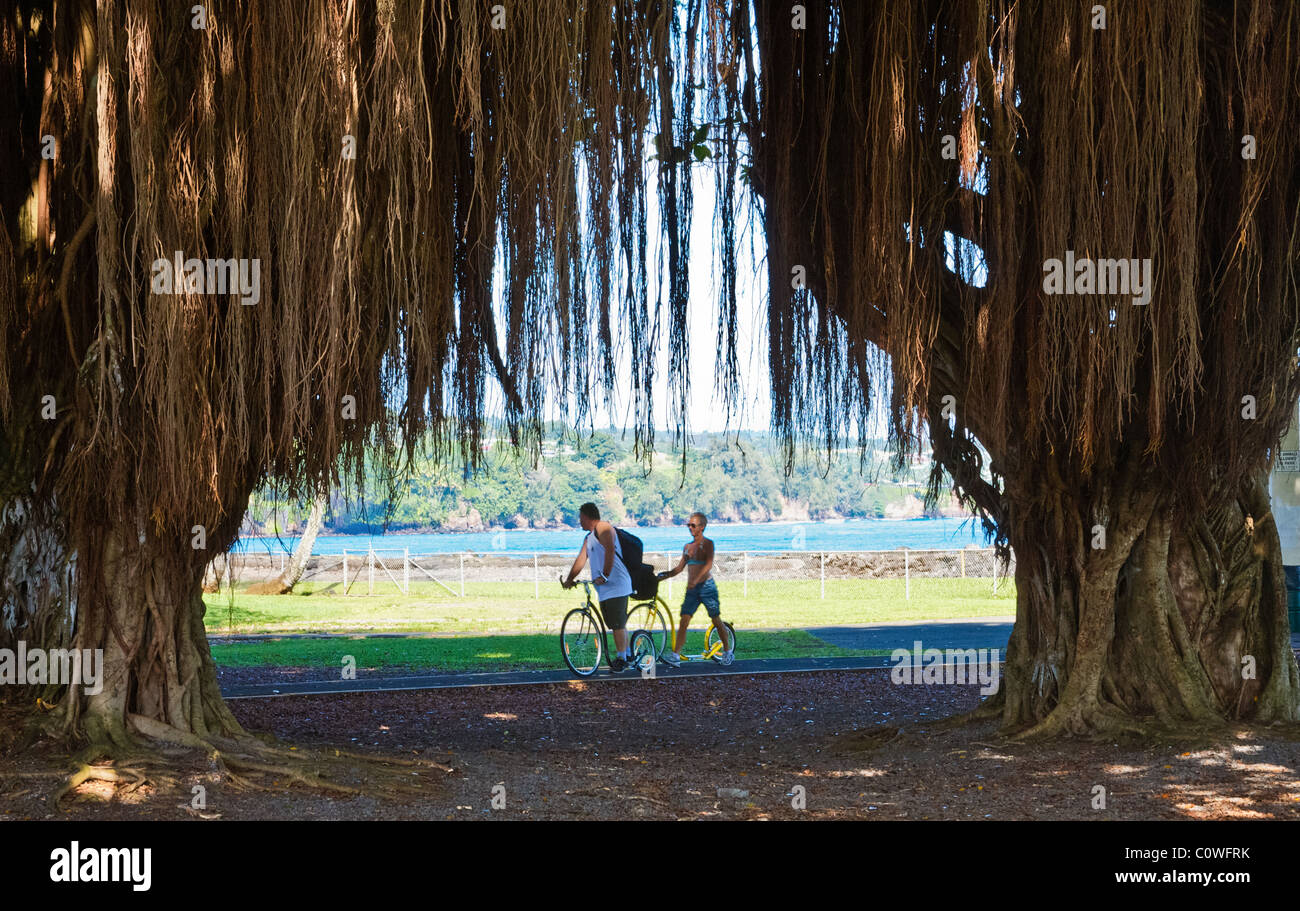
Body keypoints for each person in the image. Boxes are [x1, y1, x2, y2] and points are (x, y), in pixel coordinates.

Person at [560, 502, 635, 671]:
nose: (579, 521)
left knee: (617, 623)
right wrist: (570, 579)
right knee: (614, 623)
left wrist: (605, 575)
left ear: (586, 516)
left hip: (617, 584)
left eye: (580, 518)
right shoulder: (589, 537)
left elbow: (609, 550)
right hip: (604, 588)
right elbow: (580, 560)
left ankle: (622, 658)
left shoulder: (603, 527)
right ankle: (628, 653)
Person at [657, 512, 732, 666]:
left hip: (707, 588)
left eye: (693, 525)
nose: (690, 528)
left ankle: (727, 651)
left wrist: (696, 580)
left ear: (702, 527)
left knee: (715, 619)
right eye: (688, 525)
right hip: (692, 590)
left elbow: (708, 565)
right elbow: (679, 569)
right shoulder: (687, 547)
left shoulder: (708, 544)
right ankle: (675, 655)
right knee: (684, 620)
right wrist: (663, 576)